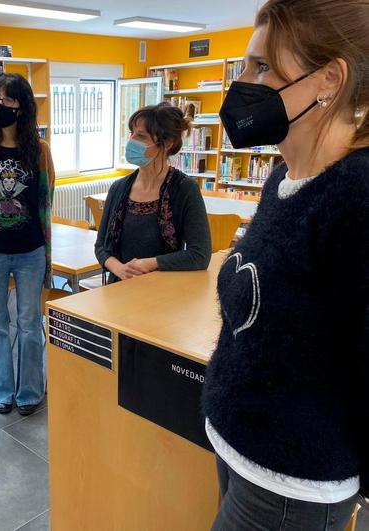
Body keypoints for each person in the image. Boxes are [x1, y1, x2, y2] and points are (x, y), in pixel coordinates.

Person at [203, 0, 369, 529]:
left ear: (330, 80)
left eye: (262, 68)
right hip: (241, 447)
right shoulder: (283, 178)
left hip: (291, 482)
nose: (242, 84)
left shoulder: (357, 196)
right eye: (244, 66)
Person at [0, 73, 55, 416]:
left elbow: (45, 200)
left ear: (23, 106)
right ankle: (0, 389)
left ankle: (31, 390)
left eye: (7, 100)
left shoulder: (39, 150)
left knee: (31, 323)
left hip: (31, 251)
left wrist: (47, 251)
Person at [95, 102, 211, 283]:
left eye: (141, 136)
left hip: (162, 291)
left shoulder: (184, 188)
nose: (131, 141)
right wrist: (120, 269)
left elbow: (200, 254)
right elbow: (101, 246)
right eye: (131, 134)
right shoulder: (119, 188)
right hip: (119, 288)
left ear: (167, 143)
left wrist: (151, 263)